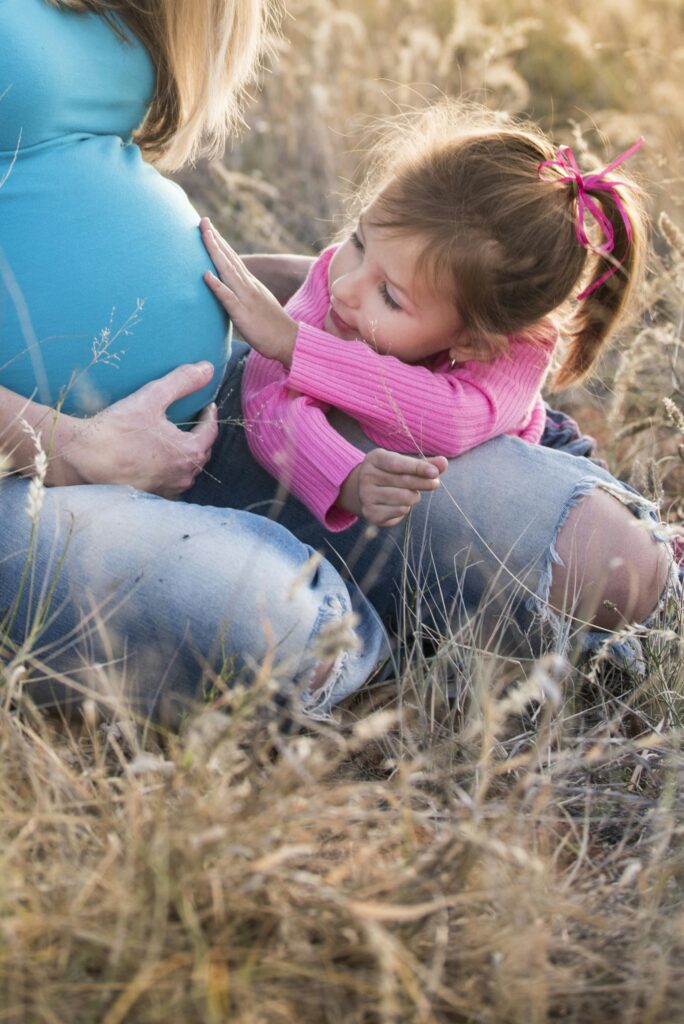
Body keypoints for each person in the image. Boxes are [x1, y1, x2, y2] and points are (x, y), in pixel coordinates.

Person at [0, 3, 677, 723]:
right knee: (289, 635)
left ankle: (398, 601)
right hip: (26, 468)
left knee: (610, 564)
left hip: (219, 400)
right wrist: (67, 446)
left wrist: (300, 313)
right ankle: (380, 637)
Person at [199, 103, 646, 534]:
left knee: (635, 551)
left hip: (541, 451)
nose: (345, 287)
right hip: (433, 486)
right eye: (358, 242)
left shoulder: (517, 347)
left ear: (475, 342)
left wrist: (297, 347)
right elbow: (265, 399)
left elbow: (450, 420)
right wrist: (344, 476)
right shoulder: (337, 284)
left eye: (389, 296)